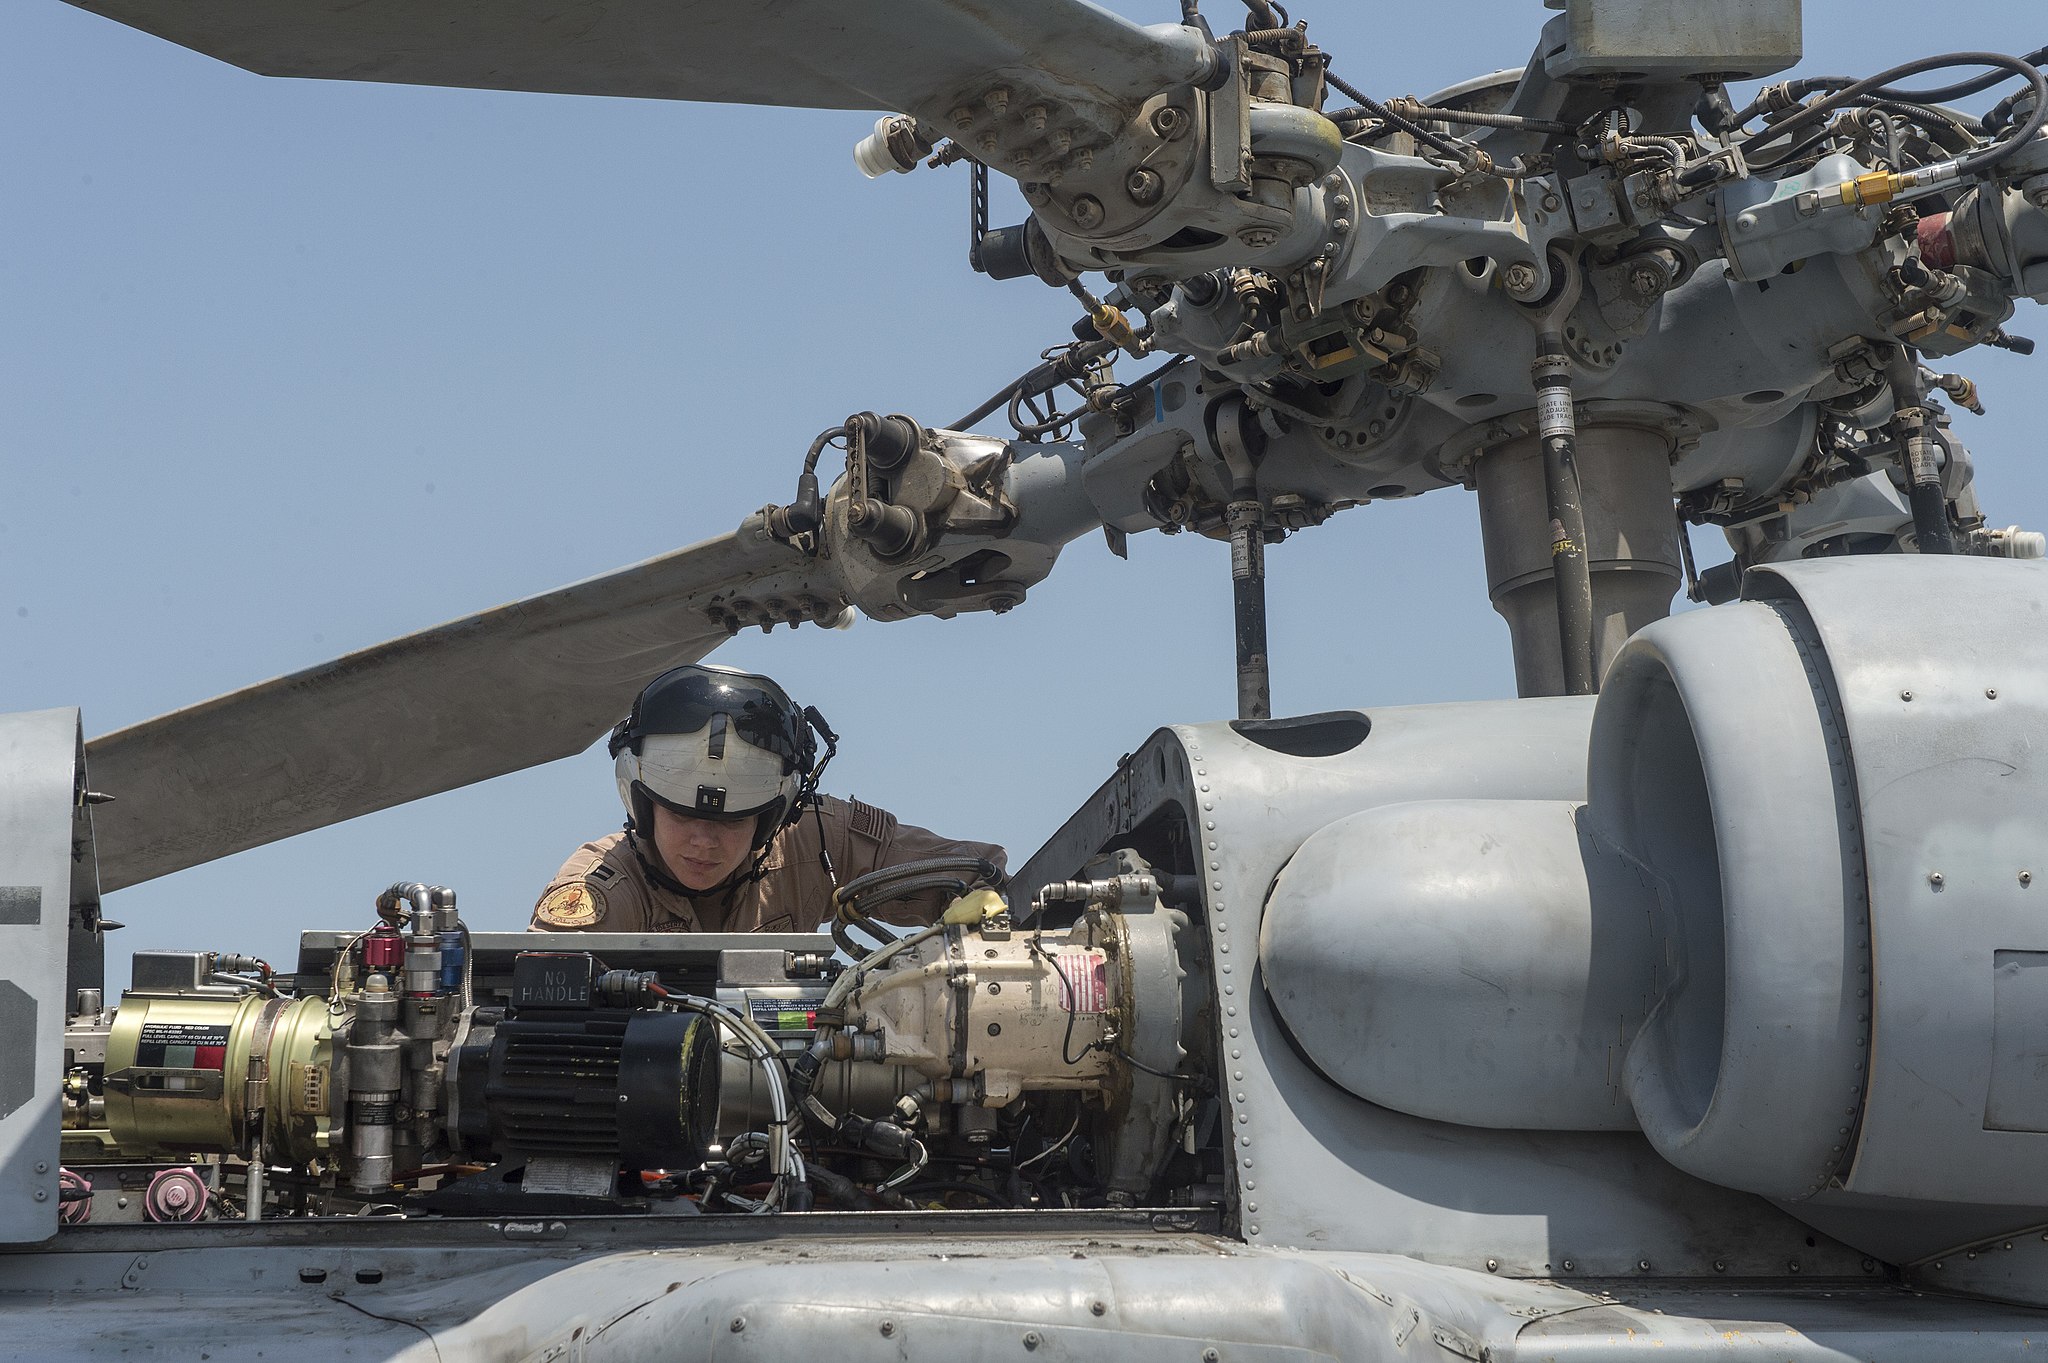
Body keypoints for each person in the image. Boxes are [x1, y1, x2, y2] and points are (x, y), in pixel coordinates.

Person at [530, 663, 1005, 934]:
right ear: (643, 804)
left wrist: (989, 905)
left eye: (731, 821)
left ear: (773, 818)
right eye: (679, 813)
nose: (703, 841)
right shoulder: (600, 892)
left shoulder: (816, 839)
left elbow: (984, 879)